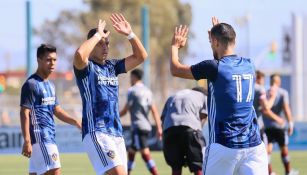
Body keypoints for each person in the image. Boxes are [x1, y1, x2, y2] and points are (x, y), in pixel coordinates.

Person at [169, 17, 268, 175]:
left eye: (212, 43)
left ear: (215, 42)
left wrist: (175, 46)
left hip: (224, 146)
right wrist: (217, 36)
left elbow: (176, 69)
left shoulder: (212, 67)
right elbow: (224, 66)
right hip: (254, 147)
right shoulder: (249, 65)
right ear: (233, 40)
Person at [73, 13, 148, 175]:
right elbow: (79, 55)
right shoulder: (85, 68)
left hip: (116, 132)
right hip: (96, 131)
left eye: (107, 43)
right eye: (101, 44)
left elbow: (141, 56)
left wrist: (130, 34)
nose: (105, 47)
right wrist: (97, 35)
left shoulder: (112, 66)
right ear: (92, 45)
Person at [20, 44, 82, 175]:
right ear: (39, 60)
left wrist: (76, 121)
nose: (52, 63)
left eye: (54, 60)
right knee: (55, 172)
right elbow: (24, 112)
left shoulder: (50, 85)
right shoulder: (31, 84)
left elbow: (57, 110)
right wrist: (27, 141)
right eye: (48, 60)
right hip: (41, 137)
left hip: (48, 137)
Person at [120, 69, 162, 175]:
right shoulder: (148, 91)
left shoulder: (132, 91)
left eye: (131, 77)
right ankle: (127, 173)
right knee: (132, 151)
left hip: (138, 126)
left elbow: (125, 110)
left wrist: (113, 117)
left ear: (134, 77)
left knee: (144, 153)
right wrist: (159, 127)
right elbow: (154, 111)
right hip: (146, 126)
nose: (130, 79)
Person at [161, 87, 207, 175]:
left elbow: (163, 118)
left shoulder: (173, 96)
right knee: (198, 166)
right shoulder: (203, 96)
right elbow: (203, 115)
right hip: (190, 128)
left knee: (176, 167)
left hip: (169, 130)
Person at [263, 74, 298, 175]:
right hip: (280, 126)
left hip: (267, 126)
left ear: (270, 81)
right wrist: (290, 123)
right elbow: (286, 109)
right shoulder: (282, 92)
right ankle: (288, 171)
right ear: (279, 82)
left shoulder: (265, 92)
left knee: (268, 151)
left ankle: (269, 172)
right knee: (284, 149)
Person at [253, 70, 284, 143]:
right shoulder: (260, 89)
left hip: (246, 126)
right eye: (263, 80)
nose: (264, 82)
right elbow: (266, 108)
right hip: (257, 126)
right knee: (264, 151)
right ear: (258, 79)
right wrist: (273, 97)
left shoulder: (247, 88)